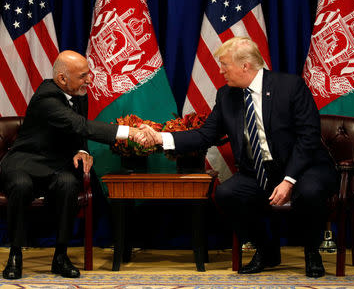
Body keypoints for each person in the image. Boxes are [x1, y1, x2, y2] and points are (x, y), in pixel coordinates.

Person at [139, 37, 338, 278]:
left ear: (245, 65)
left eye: (224, 64)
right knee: (226, 193)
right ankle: (266, 250)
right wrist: (161, 138)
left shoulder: (290, 86)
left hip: (305, 167)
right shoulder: (227, 95)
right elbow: (205, 135)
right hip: (260, 171)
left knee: (309, 192)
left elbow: (308, 138)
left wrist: (289, 180)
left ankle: (311, 252)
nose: (220, 70)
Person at [0, 50, 148, 279]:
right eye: (83, 76)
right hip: (25, 161)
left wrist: (81, 150)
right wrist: (130, 132)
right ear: (62, 79)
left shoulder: (79, 93)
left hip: (56, 165)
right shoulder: (46, 98)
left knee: (69, 185)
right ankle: (15, 255)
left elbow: (76, 134)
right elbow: (80, 125)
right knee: (20, 186)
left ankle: (61, 256)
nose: (89, 80)